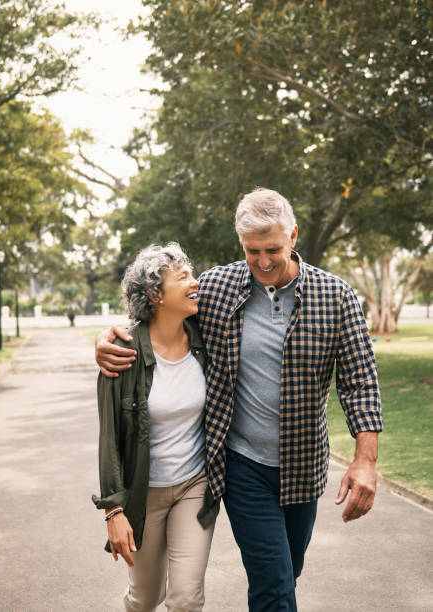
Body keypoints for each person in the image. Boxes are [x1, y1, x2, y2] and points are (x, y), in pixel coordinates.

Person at [96, 188, 383, 612]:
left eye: (273, 249)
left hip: (304, 466)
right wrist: (107, 338)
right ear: (240, 245)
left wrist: (365, 460)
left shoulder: (336, 296)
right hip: (241, 465)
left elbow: (360, 382)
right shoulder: (216, 287)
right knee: (272, 583)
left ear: (294, 236)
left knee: (288, 572)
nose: (263, 261)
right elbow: (158, 312)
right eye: (253, 251)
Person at [92, 243, 219, 612]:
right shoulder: (122, 352)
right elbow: (109, 439)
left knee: (185, 599)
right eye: (183, 278)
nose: (196, 283)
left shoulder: (205, 339)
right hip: (141, 494)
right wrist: (113, 512)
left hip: (195, 486)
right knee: (145, 598)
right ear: (154, 294)